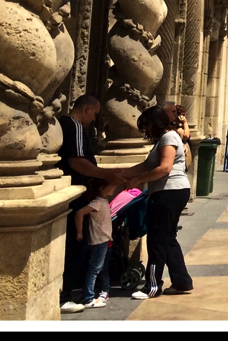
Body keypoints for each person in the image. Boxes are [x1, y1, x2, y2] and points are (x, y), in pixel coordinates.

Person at [57, 95, 126, 312]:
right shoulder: (75, 126)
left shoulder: (67, 125)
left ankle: (68, 290)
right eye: (95, 114)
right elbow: (77, 161)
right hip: (77, 196)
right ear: (87, 109)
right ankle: (65, 295)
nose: (94, 119)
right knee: (75, 248)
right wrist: (105, 174)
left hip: (74, 194)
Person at [124, 105, 193, 298]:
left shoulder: (168, 138)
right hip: (170, 192)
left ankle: (152, 286)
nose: (145, 131)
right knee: (168, 238)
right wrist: (120, 174)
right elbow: (146, 165)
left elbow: (164, 168)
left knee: (157, 239)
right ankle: (182, 282)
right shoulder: (162, 140)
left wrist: (138, 180)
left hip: (169, 192)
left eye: (146, 126)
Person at [68, 178, 119, 310]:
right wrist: (79, 232)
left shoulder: (102, 201)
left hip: (104, 239)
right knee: (94, 269)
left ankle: (93, 293)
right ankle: (88, 298)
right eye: (111, 185)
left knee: (98, 268)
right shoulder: (97, 202)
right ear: (102, 188)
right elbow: (79, 213)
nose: (113, 188)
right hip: (99, 240)